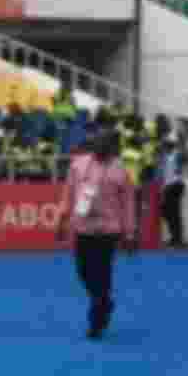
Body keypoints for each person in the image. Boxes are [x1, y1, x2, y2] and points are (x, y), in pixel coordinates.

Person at [56, 130, 137, 340]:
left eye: (105, 143)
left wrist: (129, 233)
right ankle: (104, 302)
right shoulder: (77, 165)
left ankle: (97, 321)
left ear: (112, 147)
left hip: (108, 229)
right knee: (82, 271)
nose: (100, 146)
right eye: (97, 141)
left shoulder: (121, 171)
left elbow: (128, 204)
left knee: (102, 273)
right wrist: (61, 220)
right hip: (82, 226)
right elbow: (68, 193)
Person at [160, 138, 186, 247]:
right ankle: (175, 237)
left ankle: (177, 239)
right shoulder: (165, 157)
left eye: (165, 147)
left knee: (174, 213)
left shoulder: (176, 155)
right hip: (168, 186)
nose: (163, 149)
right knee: (167, 212)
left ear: (169, 147)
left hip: (175, 185)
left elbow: (182, 162)